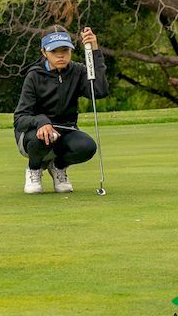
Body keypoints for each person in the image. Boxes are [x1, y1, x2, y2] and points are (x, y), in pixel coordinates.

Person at [13, 26, 109, 194]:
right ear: (44, 52)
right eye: (54, 51)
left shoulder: (77, 71)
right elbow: (20, 118)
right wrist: (42, 121)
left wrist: (95, 51)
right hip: (33, 134)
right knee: (42, 138)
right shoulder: (34, 76)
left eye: (65, 50)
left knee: (87, 147)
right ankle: (34, 169)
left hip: (66, 130)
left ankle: (58, 167)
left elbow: (99, 91)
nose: (60, 55)